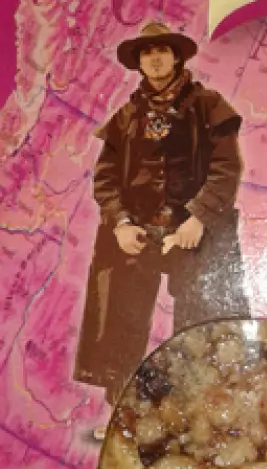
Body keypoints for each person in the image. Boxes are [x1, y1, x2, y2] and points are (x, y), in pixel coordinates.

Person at [74, 22, 249, 409]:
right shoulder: (126, 117)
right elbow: (105, 179)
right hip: (138, 232)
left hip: (196, 231)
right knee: (121, 316)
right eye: (146, 52)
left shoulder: (207, 105)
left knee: (202, 319)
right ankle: (125, 413)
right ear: (139, 63)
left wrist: (199, 217)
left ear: (176, 57)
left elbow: (226, 168)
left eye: (162, 50)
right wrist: (121, 223)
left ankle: (197, 409)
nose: (154, 58)